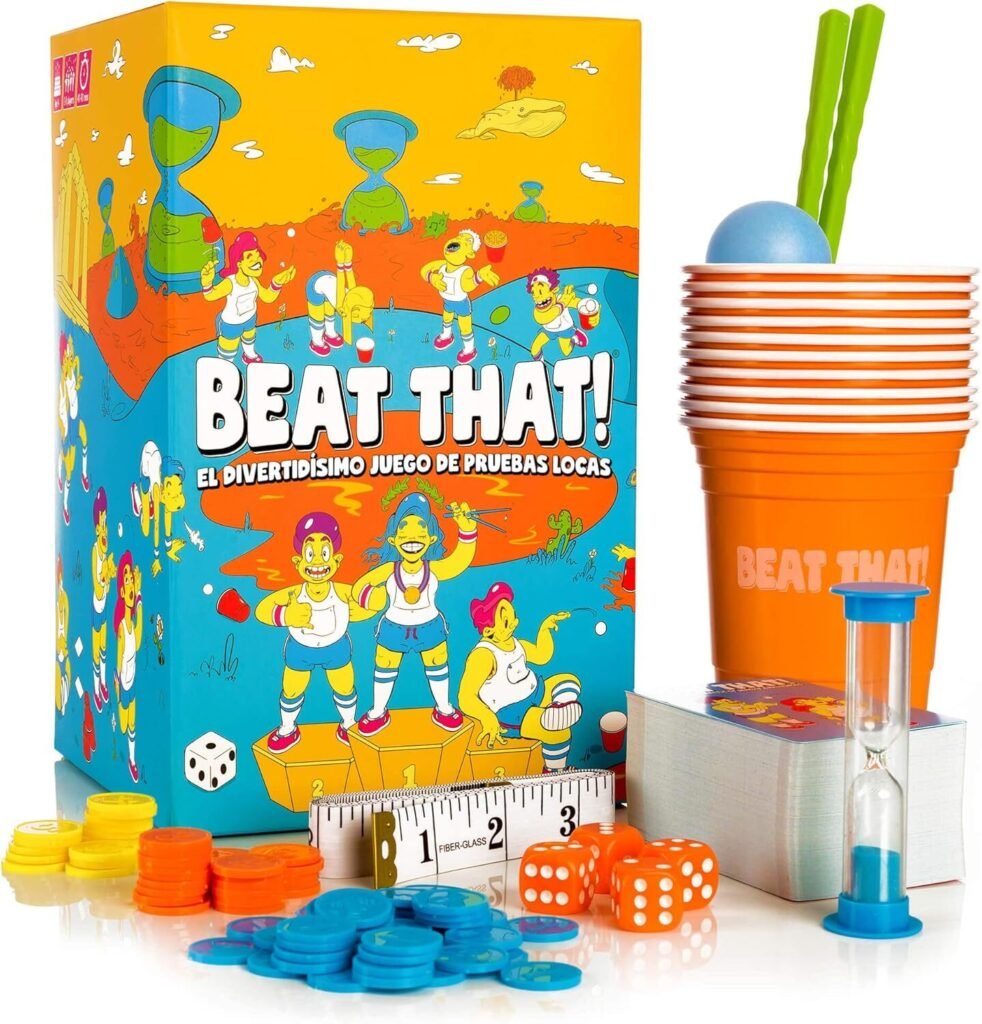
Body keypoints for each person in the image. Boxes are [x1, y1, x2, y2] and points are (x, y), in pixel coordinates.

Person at [351, 492, 477, 736]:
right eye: (404, 529)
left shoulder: (434, 568)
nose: (412, 537)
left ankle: (444, 708)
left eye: (420, 529)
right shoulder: (390, 569)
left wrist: (467, 530)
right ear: (393, 539)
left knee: (437, 664)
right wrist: (372, 599)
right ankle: (378, 711)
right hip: (393, 627)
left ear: (431, 538)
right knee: (385, 666)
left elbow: (460, 561)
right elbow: (360, 587)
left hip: (429, 625)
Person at [255, 512, 377, 751]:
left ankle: (348, 723)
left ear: (337, 560)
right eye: (310, 554)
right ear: (298, 562)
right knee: (292, 688)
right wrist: (285, 615)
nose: (318, 562)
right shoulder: (293, 593)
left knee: (344, 686)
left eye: (325, 553)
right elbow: (263, 610)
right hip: (300, 649)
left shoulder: (341, 591)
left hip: (336, 647)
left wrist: (368, 603)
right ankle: (287, 727)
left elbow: (367, 604)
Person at [457, 582, 582, 772]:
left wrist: (545, 629)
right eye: (506, 621)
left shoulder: (515, 643)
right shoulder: (483, 656)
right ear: (489, 630)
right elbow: (465, 697)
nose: (515, 623)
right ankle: (555, 771)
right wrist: (487, 718)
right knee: (559, 733)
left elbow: (541, 655)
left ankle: (559, 707)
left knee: (569, 680)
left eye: (513, 616)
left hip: (536, 692)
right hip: (514, 712)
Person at [200, 230, 296, 363]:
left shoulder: (253, 281)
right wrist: (207, 283)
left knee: (249, 339)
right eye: (250, 257)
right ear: (239, 263)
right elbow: (210, 296)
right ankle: (225, 366)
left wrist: (276, 283)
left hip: (250, 319)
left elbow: (267, 297)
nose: (257, 261)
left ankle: (249, 355)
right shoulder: (230, 283)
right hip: (231, 324)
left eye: (257, 255)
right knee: (228, 352)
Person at [420, 230, 499, 365]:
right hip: (447, 301)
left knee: (465, 326)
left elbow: (467, 285)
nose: (459, 241)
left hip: (461, 304)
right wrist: (432, 277)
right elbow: (425, 269)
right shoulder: (442, 265)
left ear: (470, 254)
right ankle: (447, 336)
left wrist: (479, 276)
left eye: (466, 242)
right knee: (447, 318)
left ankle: (469, 350)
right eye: (459, 237)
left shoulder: (465, 271)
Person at [306, 240, 375, 356]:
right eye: (362, 320)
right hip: (314, 287)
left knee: (330, 314)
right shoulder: (342, 306)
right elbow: (340, 284)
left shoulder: (353, 296)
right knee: (317, 319)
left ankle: (330, 333)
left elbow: (352, 286)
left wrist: (348, 263)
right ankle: (316, 342)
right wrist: (340, 263)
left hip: (329, 280)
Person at [114, 552, 143, 783]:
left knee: (131, 724)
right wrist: (117, 685)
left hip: (132, 680)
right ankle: (125, 757)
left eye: (132, 581)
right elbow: (118, 659)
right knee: (123, 725)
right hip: (124, 681)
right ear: (122, 592)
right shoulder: (123, 628)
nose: (131, 585)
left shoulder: (133, 625)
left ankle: (132, 761)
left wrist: (140, 599)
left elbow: (140, 639)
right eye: (127, 582)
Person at [91, 487, 116, 712]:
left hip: (105, 603)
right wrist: (106, 575)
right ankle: (97, 686)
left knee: (105, 649)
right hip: (97, 606)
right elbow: (98, 587)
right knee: (97, 646)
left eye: (106, 520)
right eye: (102, 520)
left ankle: (103, 684)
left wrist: (111, 572)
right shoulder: (96, 551)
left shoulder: (105, 548)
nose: (104, 525)